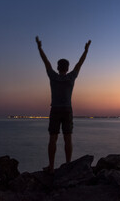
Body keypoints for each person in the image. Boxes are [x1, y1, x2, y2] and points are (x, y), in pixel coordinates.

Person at [36, 36, 91, 173]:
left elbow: (45, 61)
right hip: (67, 110)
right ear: (67, 68)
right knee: (68, 138)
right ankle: (67, 165)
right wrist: (86, 50)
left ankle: (51, 167)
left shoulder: (53, 76)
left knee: (53, 139)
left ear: (57, 67)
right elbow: (80, 63)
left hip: (55, 110)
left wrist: (40, 48)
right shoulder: (71, 77)